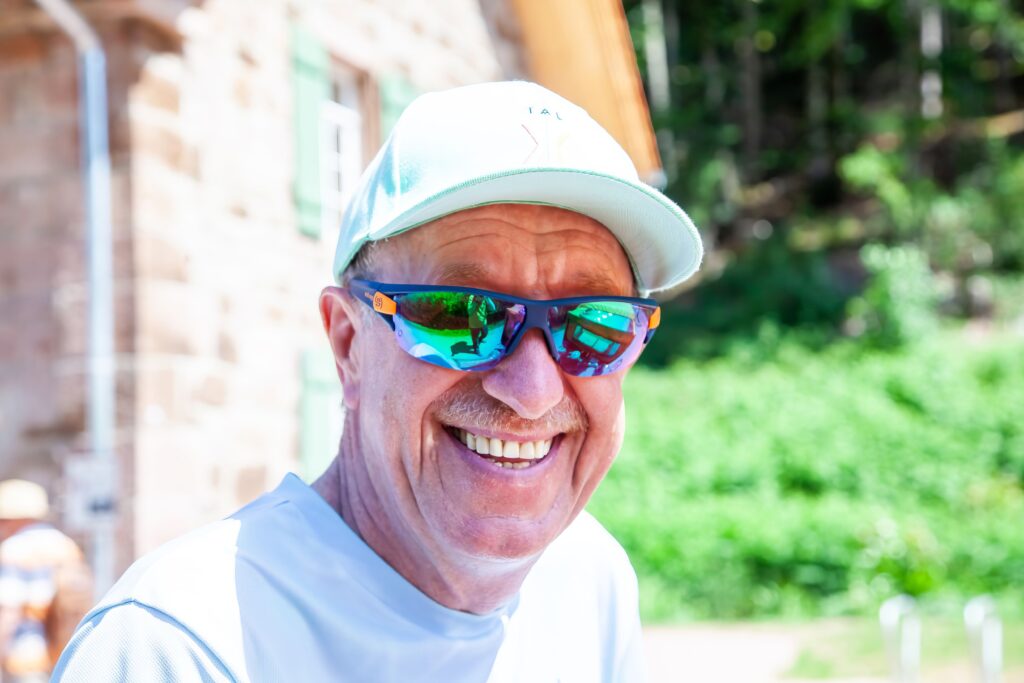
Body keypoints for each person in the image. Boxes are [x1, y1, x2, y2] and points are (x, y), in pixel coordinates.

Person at [52, 81, 703, 681]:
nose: (533, 390)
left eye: (593, 323)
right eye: (457, 314)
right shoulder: (177, 647)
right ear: (348, 344)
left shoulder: (589, 580)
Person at [0, 479, 91, 683]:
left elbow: (9, 610)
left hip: (26, 655)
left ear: (14, 518)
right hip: (66, 651)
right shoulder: (66, 545)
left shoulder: (14, 549)